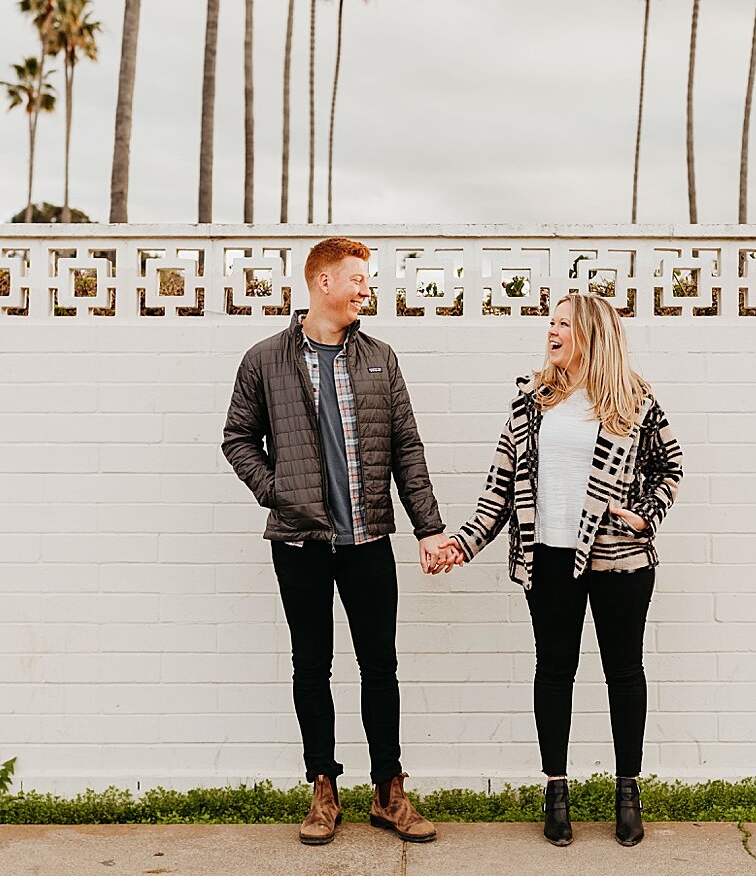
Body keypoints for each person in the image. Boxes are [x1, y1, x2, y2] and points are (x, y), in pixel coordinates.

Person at [422, 292, 683, 848]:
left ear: (590, 332)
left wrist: (644, 516)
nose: (551, 330)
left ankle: (628, 794)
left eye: (562, 323)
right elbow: (500, 491)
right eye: (551, 322)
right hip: (549, 558)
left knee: (624, 673)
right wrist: (460, 546)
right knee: (554, 672)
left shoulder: (634, 401)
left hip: (620, 560)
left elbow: (670, 466)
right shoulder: (530, 402)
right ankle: (556, 793)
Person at [222, 237, 447, 846]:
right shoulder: (265, 360)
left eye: (367, 280)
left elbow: (408, 449)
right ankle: (323, 788)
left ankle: (387, 791)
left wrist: (428, 527)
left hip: (369, 538)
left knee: (380, 667)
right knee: (311, 666)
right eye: (357, 280)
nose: (365, 290)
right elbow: (237, 438)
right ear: (323, 282)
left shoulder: (381, 358)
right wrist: (278, 491)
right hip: (299, 544)